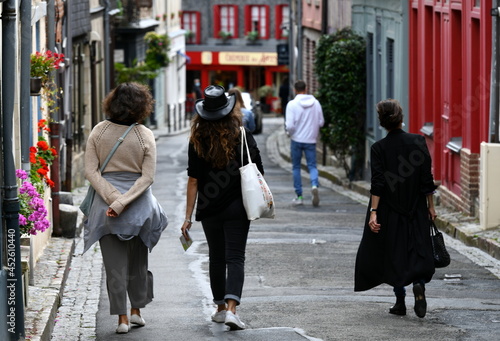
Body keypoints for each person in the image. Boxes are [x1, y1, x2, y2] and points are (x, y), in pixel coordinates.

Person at [83, 82, 168, 334]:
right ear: (142, 106)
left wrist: (112, 199)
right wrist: (124, 202)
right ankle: (136, 312)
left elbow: (90, 171)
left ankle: (121, 319)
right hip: (139, 207)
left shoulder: (99, 131)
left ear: (112, 102)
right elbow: (147, 178)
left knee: (114, 265)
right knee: (138, 263)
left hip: (104, 207)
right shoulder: (145, 135)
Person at [181, 85, 264, 331]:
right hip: (238, 206)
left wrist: (187, 217)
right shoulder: (242, 134)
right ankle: (232, 310)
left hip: (209, 208)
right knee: (235, 256)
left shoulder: (197, 140)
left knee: (216, 258)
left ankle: (219, 309)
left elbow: (193, 180)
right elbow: (257, 167)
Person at [354, 99, 437, 318]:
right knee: (416, 247)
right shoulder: (418, 141)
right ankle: (419, 285)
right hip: (416, 205)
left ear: (382, 123)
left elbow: (378, 183)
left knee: (394, 253)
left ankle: (400, 300)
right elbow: (426, 178)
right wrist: (430, 206)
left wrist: (373, 212)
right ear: (401, 118)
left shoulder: (378, 148)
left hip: (390, 209)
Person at [285, 80, 324, 207]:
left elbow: (290, 125)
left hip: (296, 139)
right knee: (312, 165)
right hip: (311, 140)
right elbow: (321, 122)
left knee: (296, 167)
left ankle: (299, 196)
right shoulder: (316, 103)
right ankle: (314, 185)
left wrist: (289, 132)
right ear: (306, 89)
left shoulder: (292, 104)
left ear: (295, 90)